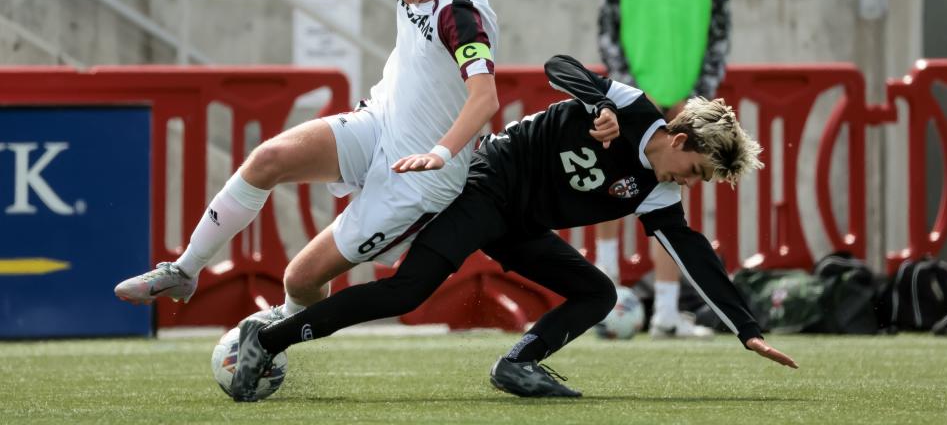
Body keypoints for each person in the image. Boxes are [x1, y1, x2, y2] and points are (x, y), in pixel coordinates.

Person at [115, 0, 501, 324]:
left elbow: (486, 98)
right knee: (267, 160)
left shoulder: (461, 16)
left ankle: (278, 345)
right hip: (380, 124)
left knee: (300, 278)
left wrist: (440, 151)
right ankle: (185, 268)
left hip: (420, 176)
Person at [229, 54, 796, 402]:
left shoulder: (659, 190)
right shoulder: (631, 107)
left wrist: (745, 328)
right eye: (696, 171)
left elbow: (694, 253)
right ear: (680, 140)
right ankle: (267, 339)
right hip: (485, 186)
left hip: (518, 222)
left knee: (596, 292)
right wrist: (597, 103)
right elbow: (559, 67)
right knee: (409, 291)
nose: (690, 183)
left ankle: (517, 364)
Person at [596, 0, 731, 340]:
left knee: (670, 203)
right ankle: (605, 296)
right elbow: (608, 33)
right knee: (612, 192)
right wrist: (633, 91)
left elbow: (719, 38)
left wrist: (695, 99)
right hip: (633, 99)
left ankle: (668, 315)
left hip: (686, 104)